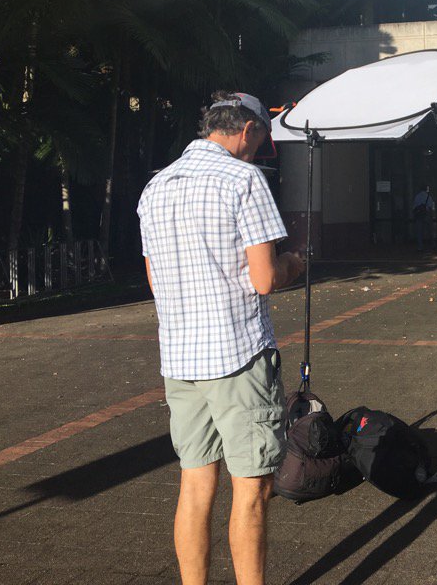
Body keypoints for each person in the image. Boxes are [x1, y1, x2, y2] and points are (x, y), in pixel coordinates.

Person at [138, 91, 305, 585]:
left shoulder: (156, 186)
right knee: (251, 490)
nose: (261, 150)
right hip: (237, 355)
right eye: (264, 139)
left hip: (181, 359)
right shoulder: (243, 179)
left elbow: (154, 281)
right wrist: (295, 264)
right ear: (248, 129)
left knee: (194, 485)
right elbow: (264, 279)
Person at [412, 185, 435, 251]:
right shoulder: (428, 196)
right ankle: (432, 244)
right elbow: (430, 206)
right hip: (427, 214)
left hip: (419, 215)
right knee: (429, 230)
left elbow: (414, 207)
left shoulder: (417, 196)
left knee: (419, 231)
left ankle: (420, 246)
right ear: (426, 189)